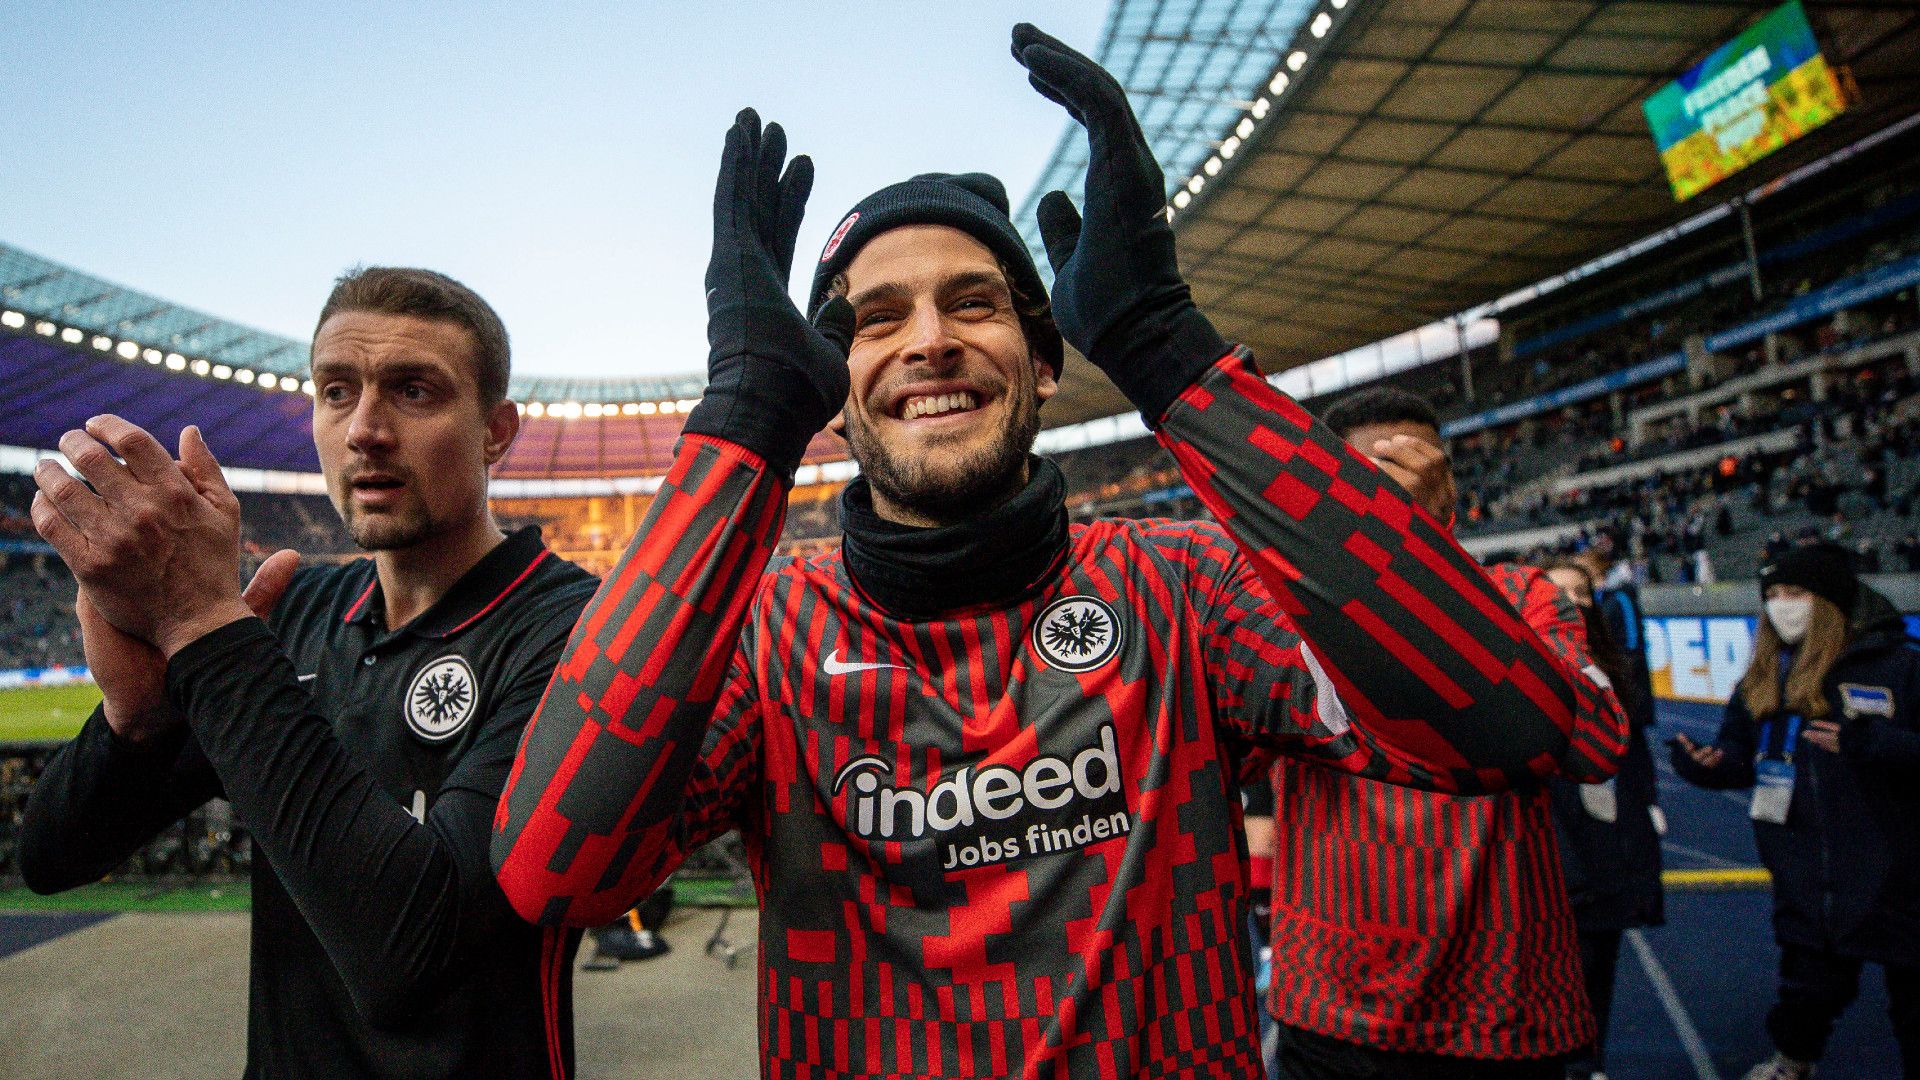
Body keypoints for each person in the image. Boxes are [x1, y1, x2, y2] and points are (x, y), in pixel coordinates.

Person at [494, 29, 1600, 1078]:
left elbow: (1509, 726)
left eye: (972, 302)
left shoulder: (1183, 586)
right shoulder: (768, 630)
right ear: (832, 389)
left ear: (1046, 361)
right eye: (876, 319)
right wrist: (742, 417)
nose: (930, 337)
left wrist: (1172, 350)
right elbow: (556, 870)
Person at [19, 268, 598, 1078]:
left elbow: (414, 962)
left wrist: (199, 623)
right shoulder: (290, 610)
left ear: (497, 431)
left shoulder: (573, 628)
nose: (365, 428)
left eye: (415, 391)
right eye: (335, 391)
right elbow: (50, 857)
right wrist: (134, 723)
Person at [1262, 388, 1627, 1080]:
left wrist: (1416, 561)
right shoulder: (1278, 610)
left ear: (1447, 487)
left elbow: (1598, 745)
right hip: (1332, 1009)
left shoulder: (1524, 596)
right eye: (1366, 479)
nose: (1389, 494)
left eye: (1411, 471)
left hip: (1505, 1014)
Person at [1671, 543, 1920, 1079]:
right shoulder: (1763, 674)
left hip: (1899, 872)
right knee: (1806, 992)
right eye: (1774, 595)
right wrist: (1705, 767)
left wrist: (1872, 745)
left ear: (1828, 600)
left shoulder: (1900, 667)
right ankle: (1792, 1065)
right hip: (1805, 873)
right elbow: (1740, 758)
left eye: (1797, 593)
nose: (1782, 605)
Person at [1540, 557, 1665, 1080]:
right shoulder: (1516, 675)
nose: (1573, 602)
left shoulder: (1618, 675)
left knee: (1597, 972)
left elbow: (1633, 761)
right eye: (1559, 590)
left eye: (1583, 592)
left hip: (1606, 853)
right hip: (1547, 857)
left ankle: (1589, 1064)